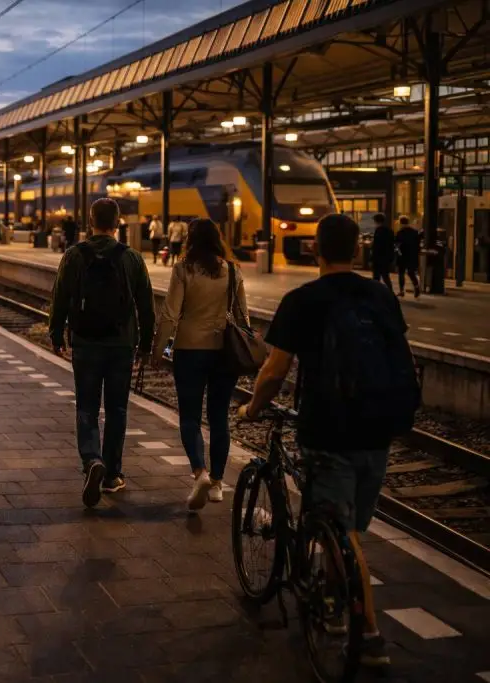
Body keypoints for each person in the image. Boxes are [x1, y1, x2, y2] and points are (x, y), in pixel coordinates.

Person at [239, 213, 419, 671]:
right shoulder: (380, 296)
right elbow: (402, 357)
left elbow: (275, 372)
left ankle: (370, 636)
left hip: (329, 429)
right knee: (352, 529)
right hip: (379, 430)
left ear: (314, 249)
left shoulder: (303, 300)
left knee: (344, 533)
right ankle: (338, 606)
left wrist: (251, 409)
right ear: (357, 251)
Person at [49, 198, 155, 508]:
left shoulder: (73, 255)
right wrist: (147, 345)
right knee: (117, 409)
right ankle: (112, 475)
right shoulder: (132, 258)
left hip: (85, 342)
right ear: (118, 221)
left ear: (90, 220)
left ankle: (92, 459)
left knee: (87, 406)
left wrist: (56, 333)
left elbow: (60, 297)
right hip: (121, 345)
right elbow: (147, 306)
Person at [152, 218, 246, 509]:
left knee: (190, 416)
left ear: (190, 239)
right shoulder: (232, 270)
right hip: (223, 353)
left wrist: (157, 350)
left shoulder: (183, 270)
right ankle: (217, 483)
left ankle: (199, 471)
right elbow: (243, 318)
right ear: (218, 239)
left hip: (190, 350)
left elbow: (170, 314)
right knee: (219, 417)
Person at [395, 215, 421, 298]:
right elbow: (418, 244)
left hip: (402, 255)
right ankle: (416, 287)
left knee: (401, 273)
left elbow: (397, 244)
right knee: (411, 272)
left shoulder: (400, 232)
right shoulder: (414, 232)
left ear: (400, 223)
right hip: (412, 255)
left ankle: (401, 290)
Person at [369, 213, 394, 291]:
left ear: (376, 221)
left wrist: (371, 258)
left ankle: (376, 292)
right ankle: (390, 291)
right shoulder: (390, 231)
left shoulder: (378, 231)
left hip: (378, 258)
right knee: (385, 276)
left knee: (376, 277)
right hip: (387, 257)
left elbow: (376, 246)